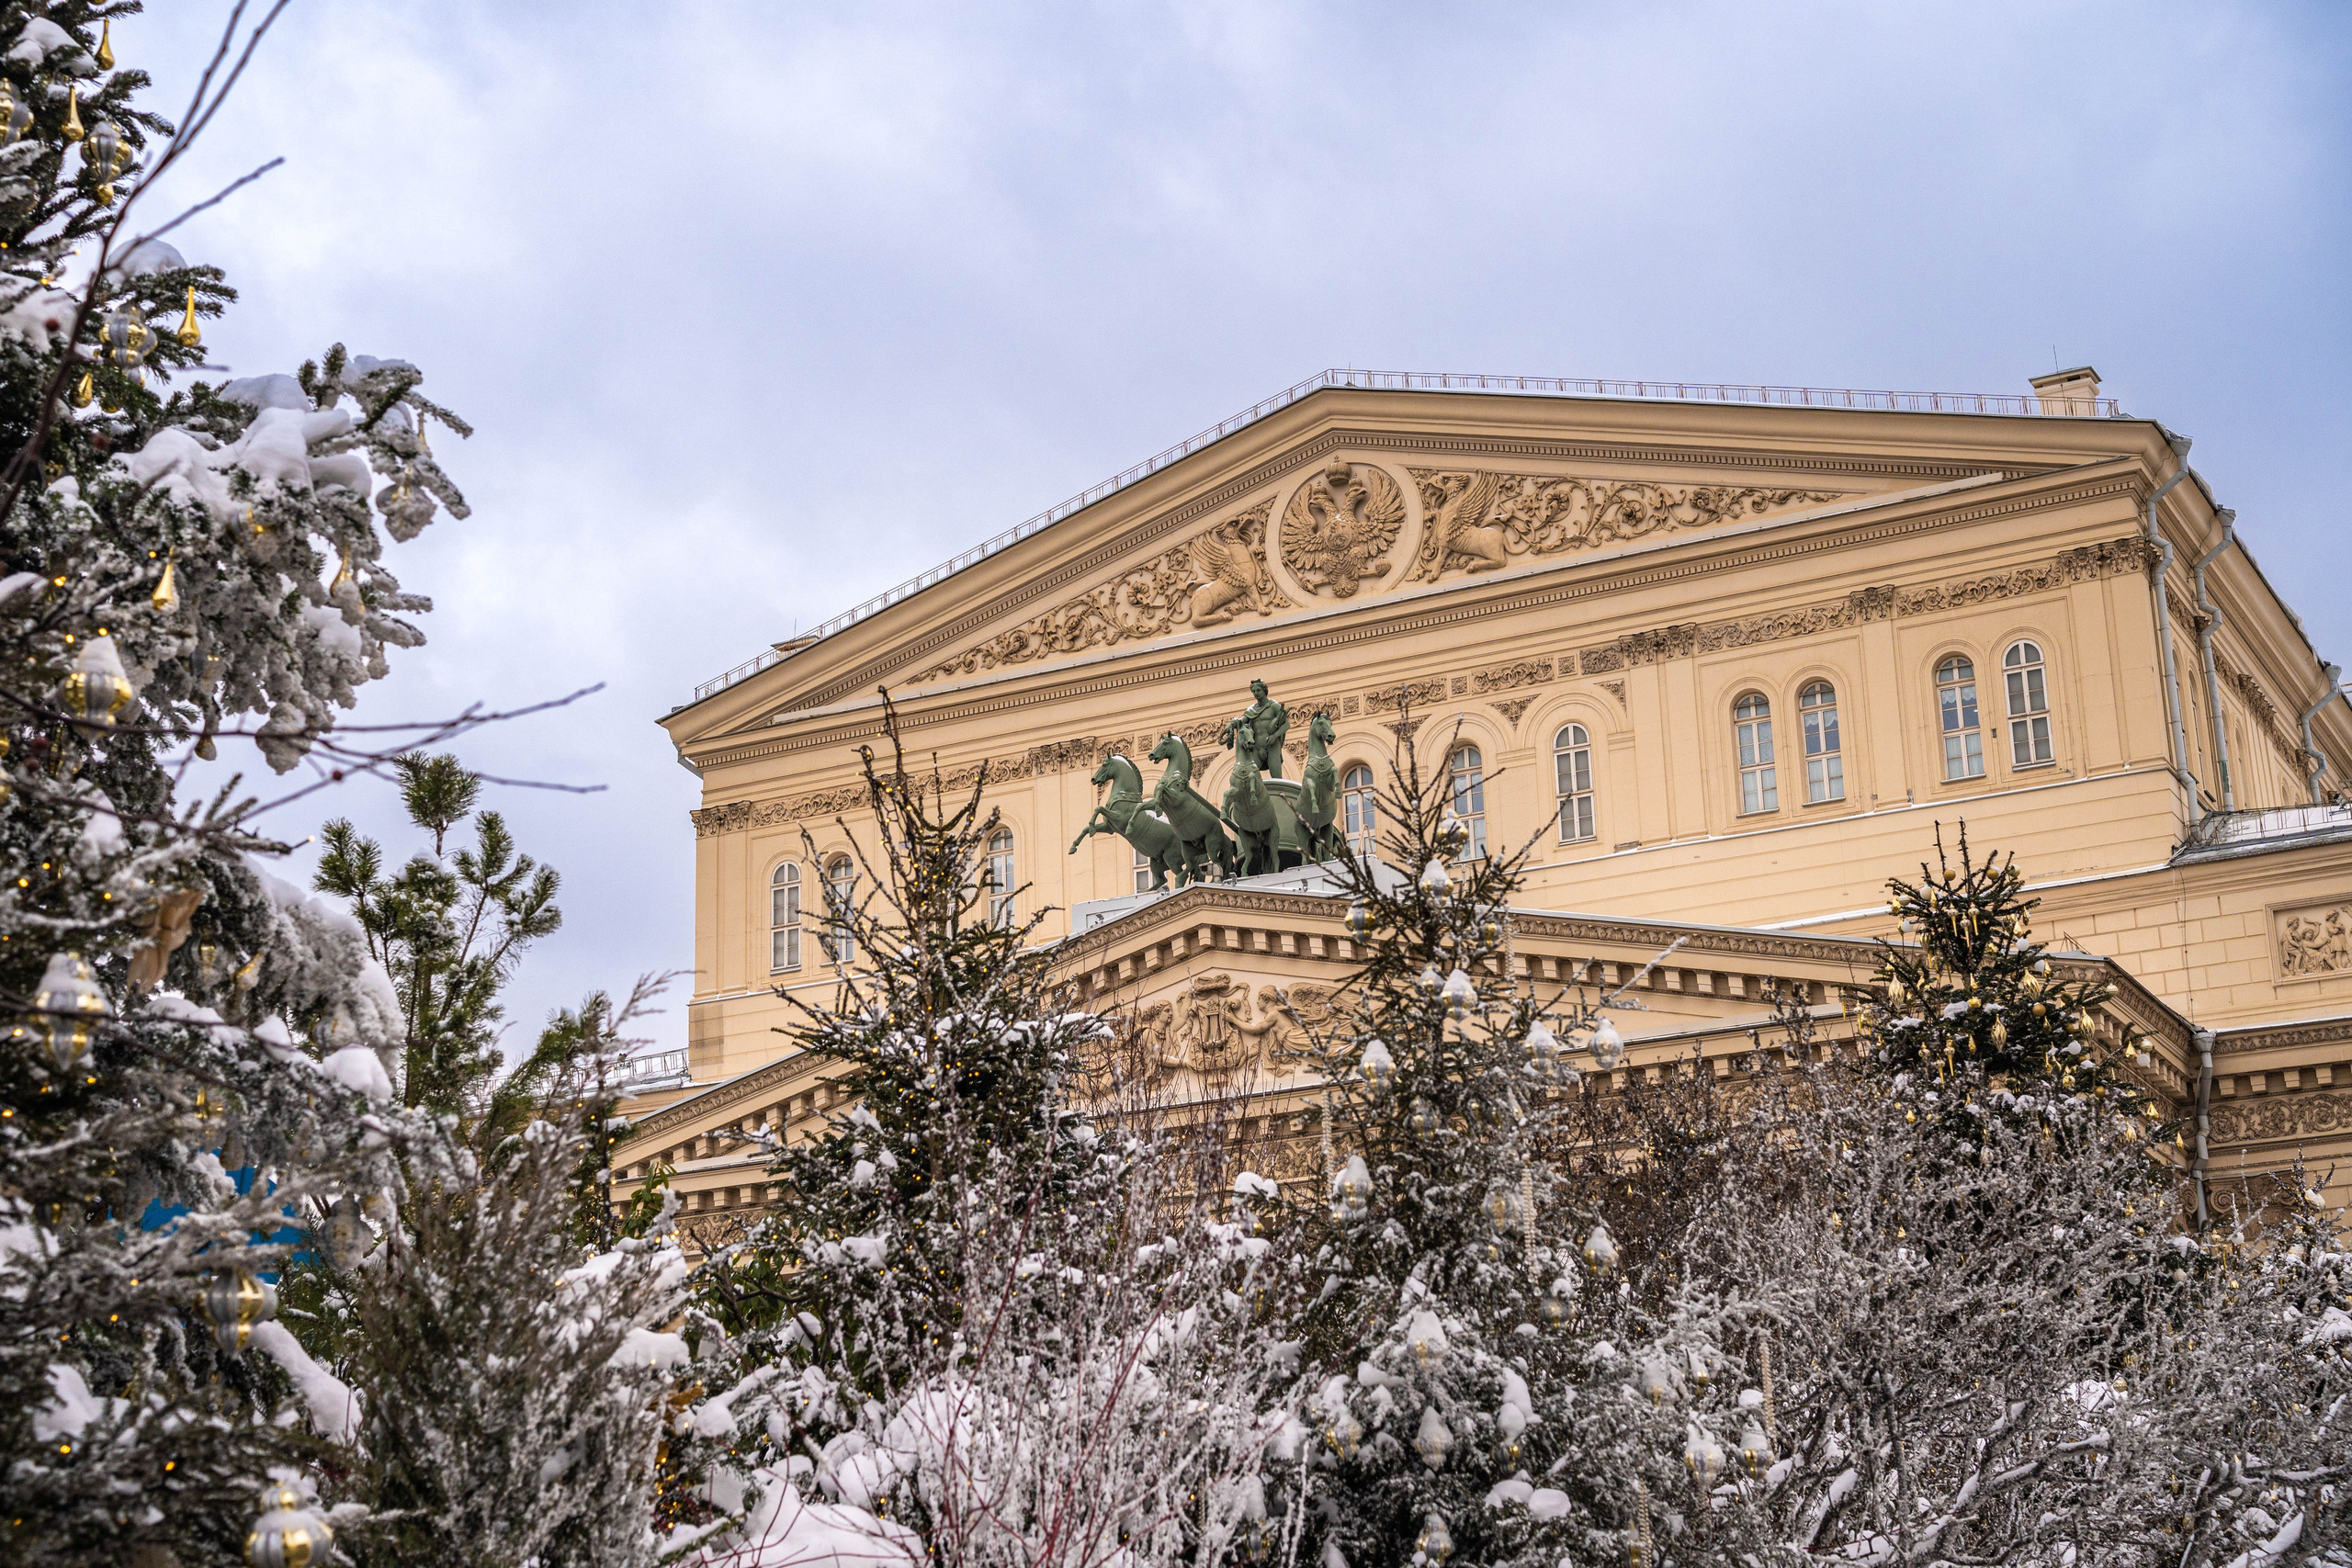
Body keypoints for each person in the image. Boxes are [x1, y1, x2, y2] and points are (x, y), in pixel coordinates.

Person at [1224, 678, 1290, 778]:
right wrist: (1232, 724)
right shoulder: (1252, 709)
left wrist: (1274, 736)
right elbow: (1241, 721)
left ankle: (1280, 793)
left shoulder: (1273, 706)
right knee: (1249, 776)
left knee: (1277, 778)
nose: (1256, 693)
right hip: (1256, 747)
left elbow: (1286, 724)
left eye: (1258, 690)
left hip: (1272, 746)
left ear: (1264, 690)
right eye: (1253, 691)